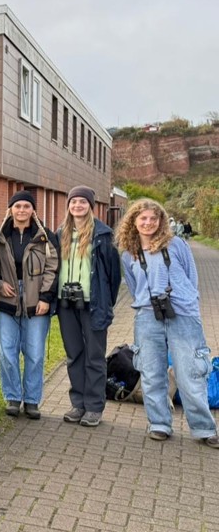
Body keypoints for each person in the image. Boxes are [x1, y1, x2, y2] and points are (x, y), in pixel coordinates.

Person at [116, 199, 218, 447]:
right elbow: (134, 287)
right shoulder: (129, 253)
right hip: (147, 316)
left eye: (154, 218)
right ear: (134, 222)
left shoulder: (177, 245)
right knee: (151, 372)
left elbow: (192, 277)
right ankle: (159, 423)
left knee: (190, 372)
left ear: (161, 221)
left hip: (182, 314)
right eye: (143, 218)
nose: (148, 223)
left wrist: (185, 301)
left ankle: (204, 428)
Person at [0, 191, 59, 420]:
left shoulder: (44, 236)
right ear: (11, 209)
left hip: (35, 300)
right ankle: (12, 396)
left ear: (33, 210)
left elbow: (52, 267)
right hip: (6, 299)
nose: (22, 210)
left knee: (35, 353)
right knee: (7, 351)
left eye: (26, 206)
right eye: (17, 206)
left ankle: (31, 400)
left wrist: (45, 297)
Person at [57, 187, 121, 428]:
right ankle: (78, 404)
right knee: (74, 355)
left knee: (94, 357)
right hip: (66, 304)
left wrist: (106, 302)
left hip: (93, 304)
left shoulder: (103, 235)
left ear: (91, 206)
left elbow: (114, 275)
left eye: (83, 202)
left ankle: (94, 407)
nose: (78, 205)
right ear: (68, 205)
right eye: (73, 201)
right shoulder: (60, 233)